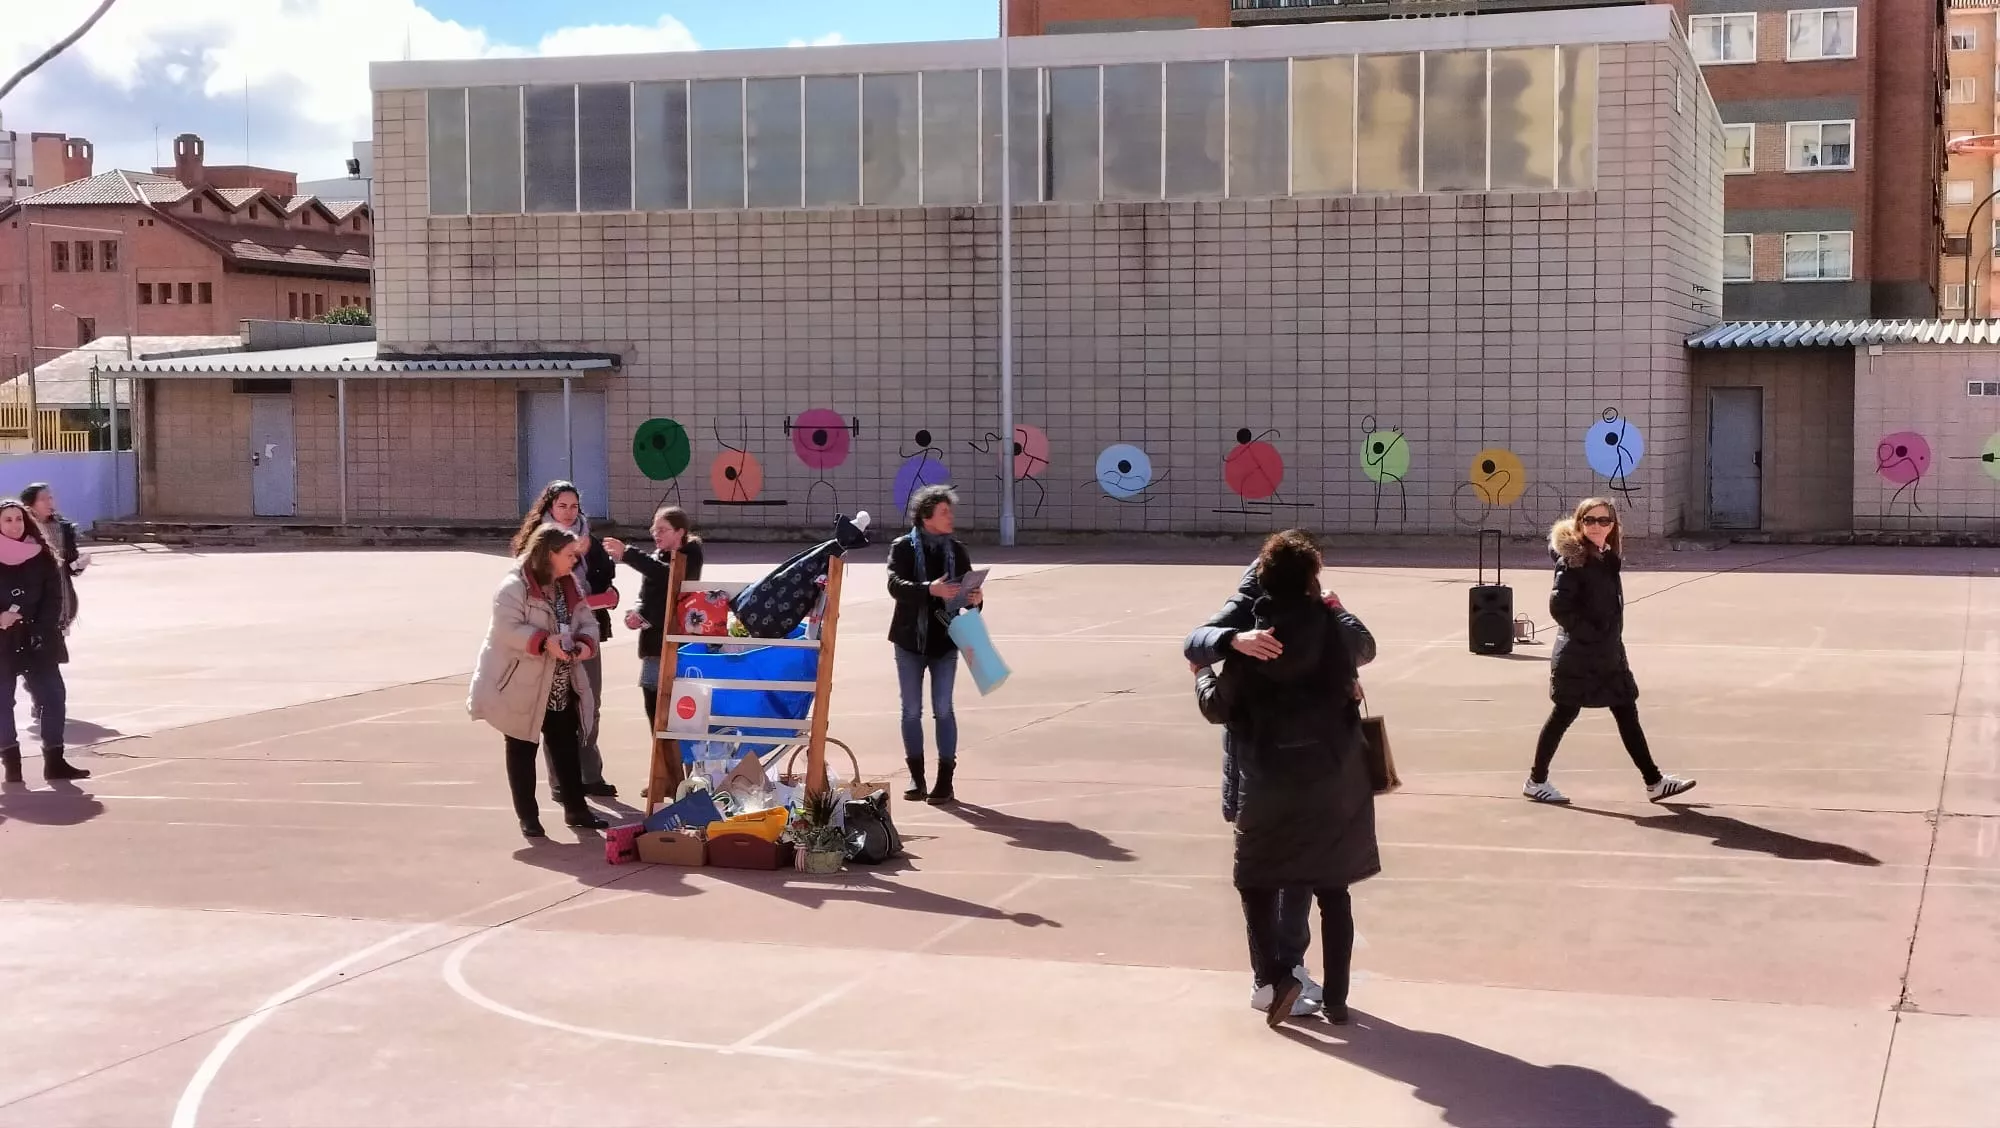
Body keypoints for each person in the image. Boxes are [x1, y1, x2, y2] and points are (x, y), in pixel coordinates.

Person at [1185, 531, 1375, 1018]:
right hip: (1332, 778)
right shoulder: (1334, 632)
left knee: (1257, 880)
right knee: (1332, 888)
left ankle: (1276, 976)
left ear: (1263, 578)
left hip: (1269, 779)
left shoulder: (1257, 646)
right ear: (1313, 578)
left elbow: (1217, 706)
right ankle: (1336, 1000)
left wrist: (1204, 674)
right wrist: (1336, 610)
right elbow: (1362, 649)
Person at [1524, 498, 1696, 805]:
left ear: (1613, 525)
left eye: (1604, 521)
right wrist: (1593, 634)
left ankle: (1654, 782)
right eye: (1590, 520)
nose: (1597, 526)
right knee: (1564, 713)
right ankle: (1536, 781)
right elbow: (1560, 607)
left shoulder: (1605, 557)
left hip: (1608, 654)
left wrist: (1606, 639)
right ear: (1579, 524)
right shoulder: (1573, 561)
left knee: (1626, 711)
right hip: (1579, 656)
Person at [468, 525, 609, 838]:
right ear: (550, 553)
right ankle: (528, 817)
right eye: (570, 555)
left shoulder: (568, 584)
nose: (575, 560)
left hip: (559, 683)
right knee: (521, 748)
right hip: (520, 683)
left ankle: (576, 809)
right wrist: (545, 641)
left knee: (565, 748)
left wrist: (585, 642)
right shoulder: (513, 586)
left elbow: (587, 620)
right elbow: (507, 629)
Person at [513, 482, 619, 802]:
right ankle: (560, 780)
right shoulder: (537, 545)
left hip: (586, 634)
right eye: (563, 506)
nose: (569, 512)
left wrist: (603, 597)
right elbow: (533, 592)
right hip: (552, 638)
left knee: (590, 705)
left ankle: (590, 774)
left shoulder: (590, 541)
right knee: (556, 709)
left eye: (574, 507)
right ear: (549, 509)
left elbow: (607, 583)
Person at [887, 484, 981, 805]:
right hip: (909, 641)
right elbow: (895, 585)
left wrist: (976, 599)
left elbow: (969, 596)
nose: (950, 516)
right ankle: (916, 776)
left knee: (944, 709)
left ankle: (945, 780)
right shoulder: (902, 548)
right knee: (911, 711)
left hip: (945, 642)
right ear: (927, 517)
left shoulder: (957, 550)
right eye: (944, 512)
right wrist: (930, 590)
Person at [0, 499, 86, 783]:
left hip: (38, 637)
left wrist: (41, 626)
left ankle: (55, 760)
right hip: (3, 640)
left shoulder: (42, 555)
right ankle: (12, 765)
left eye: (19, 519)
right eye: (7, 520)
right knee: (2, 702)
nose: (15, 525)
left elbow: (54, 596)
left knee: (53, 697)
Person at [602, 505, 704, 727]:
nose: (655, 534)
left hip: (676, 642)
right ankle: (662, 757)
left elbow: (669, 577)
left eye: (662, 530)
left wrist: (628, 554)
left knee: (676, 710)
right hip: (652, 643)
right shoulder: (657, 556)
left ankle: (679, 758)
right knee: (652, 705)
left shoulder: (690, 556)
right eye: (654, 530)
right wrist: (638, 613)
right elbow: (645, 595)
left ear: (679, 532)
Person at [20, 484, 83, 632]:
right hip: (34, 606)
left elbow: (70, 568)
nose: (49, 502)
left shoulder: (63, 529)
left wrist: (79, 564)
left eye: (50, 498)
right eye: (43, 499)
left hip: (63, 603)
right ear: (30, 504)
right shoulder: (22, 530)